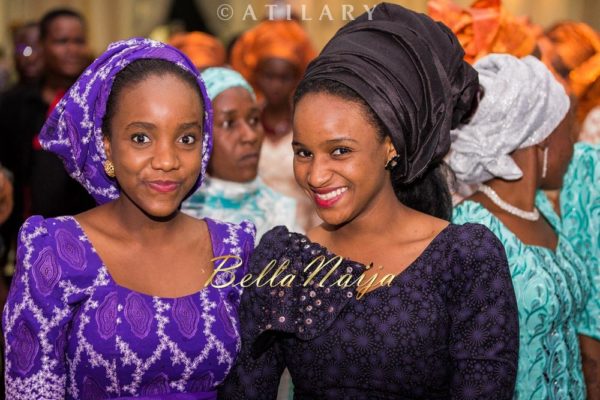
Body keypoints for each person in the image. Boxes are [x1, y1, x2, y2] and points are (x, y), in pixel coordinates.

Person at [221, 4, 519, 399]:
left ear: (390, 146)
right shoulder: (285, 260)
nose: (315, 175)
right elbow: (246, 391)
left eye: (340, 151)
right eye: (303, 152)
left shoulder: (463, 258)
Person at [2, 38, 255, 398]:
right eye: (141, 137)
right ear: (106, 143)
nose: (166, 160)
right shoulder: (56, 251)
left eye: (186, 138)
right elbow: (31, 389)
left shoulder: (234, 247)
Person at [450, 53, 599, 399]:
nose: (573, 146)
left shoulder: (544, 213)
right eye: (569, 130)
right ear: (542, 137)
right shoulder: (471, 232)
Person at [0, 9, 94, 278]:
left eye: (79, 41)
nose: (72, 50)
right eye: (62, 41)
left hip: (89, 243)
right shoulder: (14, 104)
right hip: (27, 243)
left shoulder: (101, 104)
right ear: (42, 46)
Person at [182, 67, 298, 240]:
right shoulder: (176, 215)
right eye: (229, 123)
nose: (250, 136)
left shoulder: (281, 216)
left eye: (254, 120)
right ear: (200, 135)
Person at [230, 19, 318, 232]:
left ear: (296, 78)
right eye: (269, 76)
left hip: (303, 237)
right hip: (249, 234)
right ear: (256, 75)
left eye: (284, 77)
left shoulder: (308, 123)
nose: (276, 86)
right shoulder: (242, 124)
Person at [11, 22, 44, 88]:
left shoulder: (68, 95)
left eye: (37, 48)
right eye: (22, 48)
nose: (31, 58)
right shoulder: (7, 97)